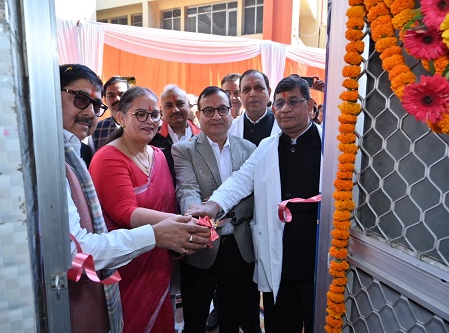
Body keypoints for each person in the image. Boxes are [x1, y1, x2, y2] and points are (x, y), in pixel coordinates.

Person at [60, 64, 210, 333]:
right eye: (140, 114)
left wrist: (179, 230)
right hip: (127, 259)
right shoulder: (108, 157)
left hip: (160, 258)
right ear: (120, 117)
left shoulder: (161, 155)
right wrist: (183, 224)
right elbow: (123, 212)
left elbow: (170, 202)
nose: (150, 121)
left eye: (154, 114)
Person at [186, 75, 323, 333]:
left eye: (294, 102)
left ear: (310, 105)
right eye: (280, 104)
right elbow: (240, 180)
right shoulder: (267, 147)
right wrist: (212, 206)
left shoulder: (332, 145)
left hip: (316, 257)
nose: (286, 109)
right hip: (278, 258)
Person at [172, 86, 260, 333]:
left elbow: (253, 196)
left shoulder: (250, 149)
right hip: (202, 246)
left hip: (239, 246)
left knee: (232, 318)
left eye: (222, 109)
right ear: (198, 115)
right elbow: (187, 189)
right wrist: (197, 214)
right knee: (195, 319)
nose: (216, 116)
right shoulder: (184, 150)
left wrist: (228, 214)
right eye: (208, 111)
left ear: (232, 112)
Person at [149, 84, 201, 178]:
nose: (175, 110)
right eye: (169, 106)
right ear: (161, 110)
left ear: (188, 106)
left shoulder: (203, 136)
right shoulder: (152, 139)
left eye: (180, 104)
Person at [228, 69, 281, 146]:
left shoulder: (282, 126)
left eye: (258, 87)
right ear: (240, 95)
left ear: (269, 92)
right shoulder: (231, 129)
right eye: (246, 89)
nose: (252, 93)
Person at [90, 76, 130, 151]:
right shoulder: (97, 129)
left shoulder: (140, 125)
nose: (117, 99)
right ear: (105, 100)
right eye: (111, 96)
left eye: (122, 94)